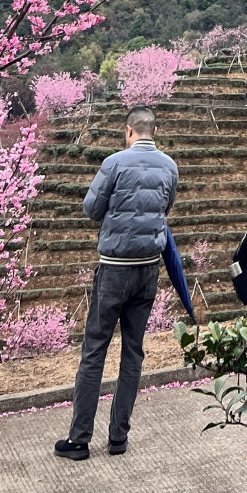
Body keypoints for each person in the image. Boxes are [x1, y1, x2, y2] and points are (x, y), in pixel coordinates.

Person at [55, 105, 179, 462]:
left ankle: (79, 439)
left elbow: (91, 209)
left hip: (114, 269)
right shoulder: (170, 166)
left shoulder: (114, 163)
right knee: (133, 351)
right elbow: (164, 209)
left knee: (95, 350)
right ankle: (118, 437)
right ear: (154, 131)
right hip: (148, 269)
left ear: (128, 131)